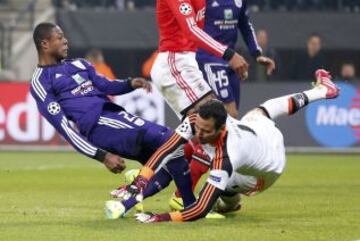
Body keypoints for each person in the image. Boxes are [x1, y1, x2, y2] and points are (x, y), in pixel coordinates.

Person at [106, 69, 340, 222]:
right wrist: (141, 180)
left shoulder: (227, 155)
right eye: (198, 128)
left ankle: (228, 201)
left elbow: (199, 210)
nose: (200, 133)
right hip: (261, 128)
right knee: (264, 109)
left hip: (268, 169)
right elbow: (167, 149)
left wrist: (158, 218)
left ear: (221, 128)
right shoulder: (199, 119)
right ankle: (322, 90)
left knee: (220, 182)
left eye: (207, 132)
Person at [31, 22, 196, 210]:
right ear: (45, 44)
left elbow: (106, 85)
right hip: (100, 125)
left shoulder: (79, 64)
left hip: (114, 117)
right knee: (168, 138)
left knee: (171, 160)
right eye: (59, 37)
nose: (66, 41)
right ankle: (191, 206)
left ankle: (125, 205)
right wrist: (103, 156)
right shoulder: (41, 82)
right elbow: (66, 130)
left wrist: (130, 83)